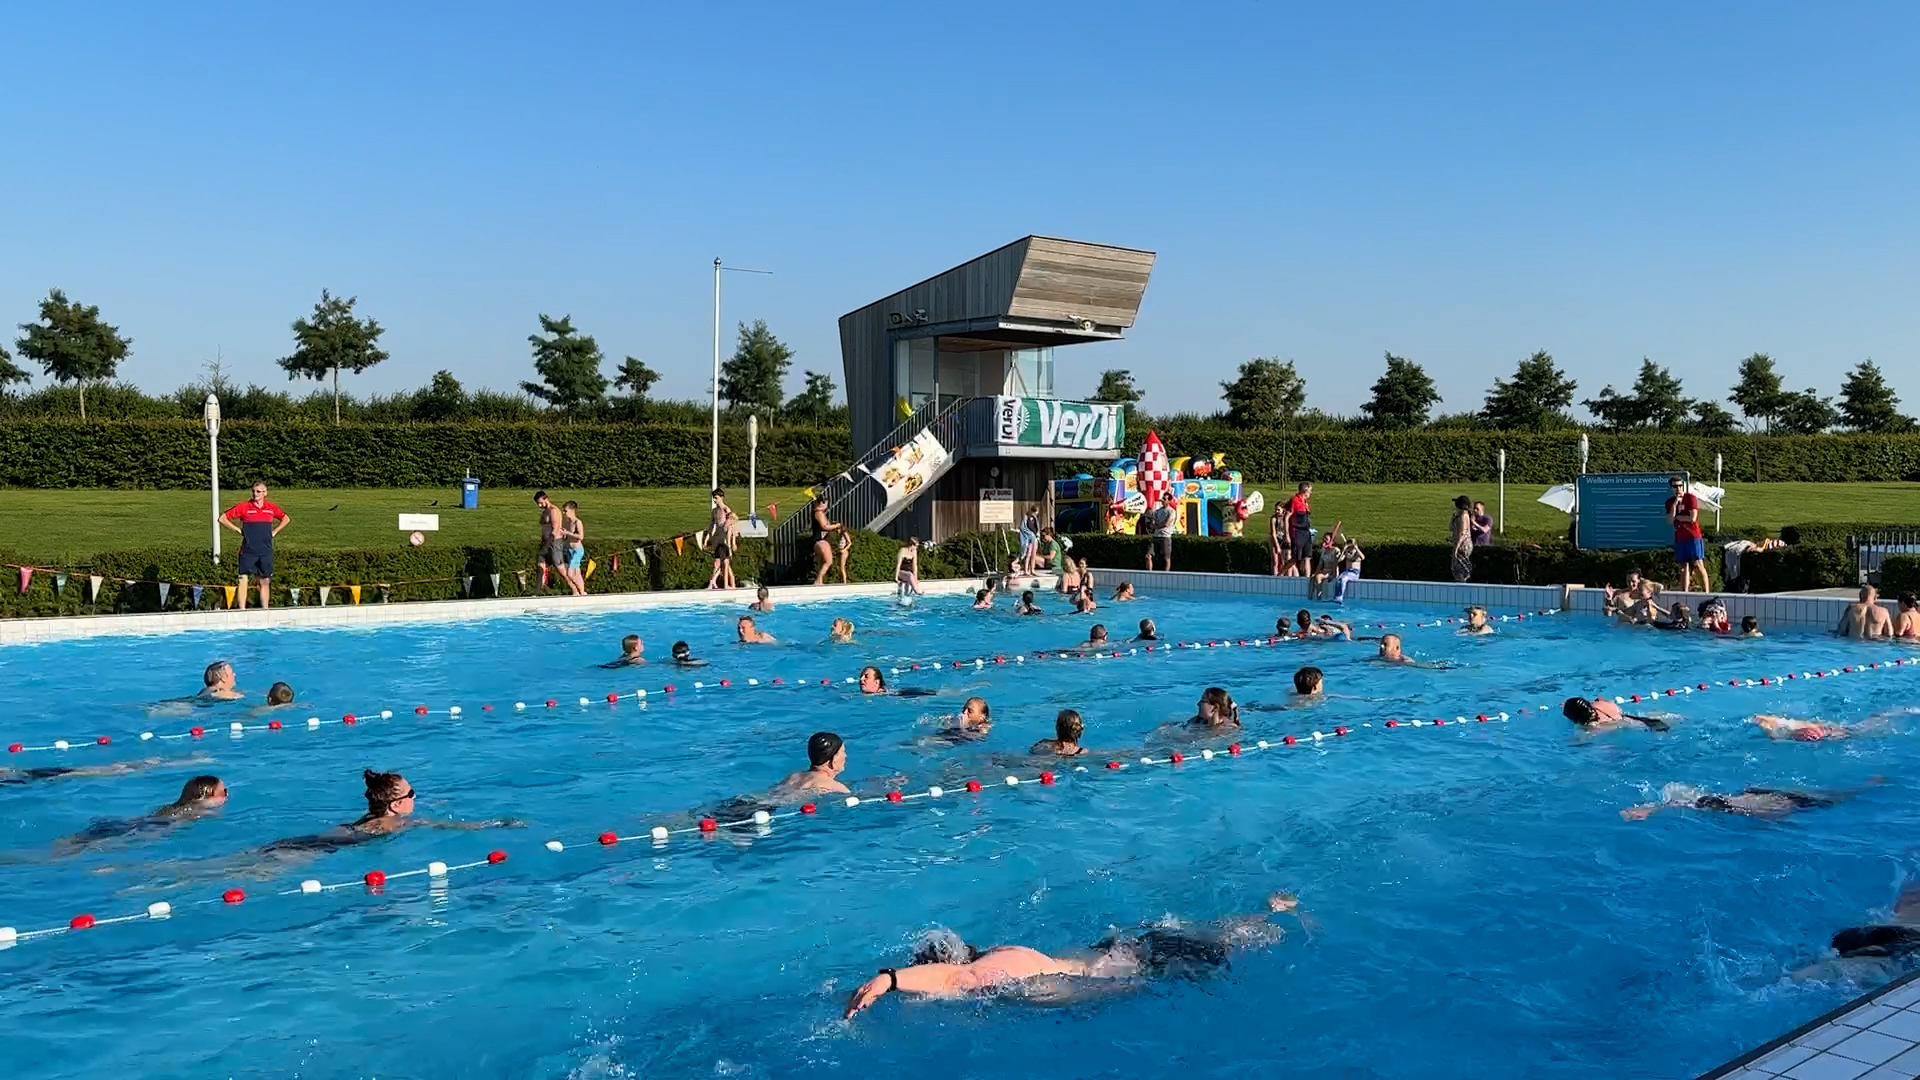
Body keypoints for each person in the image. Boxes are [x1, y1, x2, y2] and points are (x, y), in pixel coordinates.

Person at [843, 894, 1298, 1018]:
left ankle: (1280, 915)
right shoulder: (1002, 951)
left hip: (1146, 963)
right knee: (1222, 931)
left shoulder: (988, 974)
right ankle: (1265, 911)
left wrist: (890, 979)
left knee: (1244, 942)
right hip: (1127, 948)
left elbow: (951, 982)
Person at [260, 770, 512, 855]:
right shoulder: (399, 822)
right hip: (326, 847)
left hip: (321, 839)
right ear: (395, 805)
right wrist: (498, 824)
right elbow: (455, 827)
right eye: (411, 795)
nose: (415, 798)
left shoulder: (366, 818)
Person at [54, 775, 228, 854]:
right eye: (224, 792)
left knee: (83, 840)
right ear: (206, 797)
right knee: (105, 844)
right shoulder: (200, 810)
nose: (226, 795)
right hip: (156, 827)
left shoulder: (171, 806)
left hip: (139, 821)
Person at [1621, 781, 1872, 820]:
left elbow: (1690, 802)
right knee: (1840, 797)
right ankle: (1872, 784)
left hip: (1777, 800)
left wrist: (1651, 809)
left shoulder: (1729, 804)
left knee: (1838, 798)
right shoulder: (1728, 804)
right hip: (1769, 797)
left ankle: (1872, 784)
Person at [220, 482, 290, 610]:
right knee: (243, 578)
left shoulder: (271, 508)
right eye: (253, 491)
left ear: (265, 493)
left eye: (258, 491)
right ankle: (242, 609)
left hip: (265, 549)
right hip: (248, 549)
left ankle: (265, 609)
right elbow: (223, 518)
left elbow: (286, 519)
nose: (255, 494)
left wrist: (275, 531)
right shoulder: (244, 507)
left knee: (265, 580)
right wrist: (238, 530)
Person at [1664, 475, 1710, 594]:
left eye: (1680, 485)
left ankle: (1707, 592)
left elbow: (1692, 518)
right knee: (1683, 567)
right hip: (1680, 537)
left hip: (1692, 536)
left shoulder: (1690, 498)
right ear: (1671, 488)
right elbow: (1669, 520)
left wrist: (1677, 517)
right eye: (1675, 486)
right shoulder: (1669, 502)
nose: (1678, 488)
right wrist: (1675, 505)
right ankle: (1684, 593)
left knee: (1698, 563)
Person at [772, 732, 850, 796]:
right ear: (834, 759)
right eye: (842, 752)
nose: (845, 755)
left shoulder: (792, 777)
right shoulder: (834, 787)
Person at [1562, 696, 1669, 732]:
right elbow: (1601, 698)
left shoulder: (1591, 727)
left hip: (1639, 727)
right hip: (1640, 718)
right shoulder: (1600, 704)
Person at [534, 491, 566, 593]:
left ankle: (575, 588)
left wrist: (548, 543)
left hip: (554, 542)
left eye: (540, 503)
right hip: (545, 541)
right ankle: (537, 591)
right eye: (538, 504)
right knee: (540, 564)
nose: (539, 505)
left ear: (546, 498)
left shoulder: (553, 510)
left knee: (560, 568)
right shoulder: (545, 511)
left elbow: (555, 528)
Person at [811, 497, 845, 586]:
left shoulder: (819, 513)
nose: (827, 505)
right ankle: (818, 581)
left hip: (818, 541)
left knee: (821, 562)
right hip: (821, 541)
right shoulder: (819, 513)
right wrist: (837, 525)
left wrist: (833, 527)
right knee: (828, 561)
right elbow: (824, 527)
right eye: (825, 503)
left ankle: (819, 581)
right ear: (821, 504)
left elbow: (826, 527)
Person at [706, 491, 738, 591]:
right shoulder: (714, 511)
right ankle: (726, 585)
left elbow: (732, 525)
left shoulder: (726, 510)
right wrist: (707, 539)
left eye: (716, 498)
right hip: (717, 540)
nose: (714, 500)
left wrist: (732, 542)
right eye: (713, 498)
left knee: (724, 564)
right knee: (720, 564)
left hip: (724, 541)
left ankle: (721, 584)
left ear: (722, 497)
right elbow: (711, 526)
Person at [1284, 482, 1315, 577]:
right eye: (1310, 491)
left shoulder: (1305, 501)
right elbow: (1287, 517)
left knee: (1307, 557)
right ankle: (1280, 574)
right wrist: (1287, 535)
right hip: (1297, 532)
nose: (1311, 493)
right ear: (1305, 491)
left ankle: (1307, 579)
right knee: (1295, 558)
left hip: (1306, 531)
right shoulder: (1295, 500)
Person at [560, 500, 588, 596]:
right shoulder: (567, 522)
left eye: (565, 511)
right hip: (569, 550)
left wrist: (568, 533)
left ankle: (580, 591)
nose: (564, 513)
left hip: (577, 550)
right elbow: (565, 537)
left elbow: (581, 537)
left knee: (570, 573)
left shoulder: (577, 522)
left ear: (572, 511)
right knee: (577, 573)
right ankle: (582, 592)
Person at [1144, 494, 1177, 572]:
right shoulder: (1157, 511)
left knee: (1166, 558)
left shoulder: (1171, 511)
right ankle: (1149, 573)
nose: (1162, 500)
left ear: (1169, 501)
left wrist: (1157, 525)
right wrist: (1158, 525)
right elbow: (1152, 525)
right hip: (1156, 536)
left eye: (1164, 499)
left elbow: (1167, 524)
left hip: (1165, 537)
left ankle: (1166, 575)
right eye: (1162, 498)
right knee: (1148, 556)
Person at [1448, 495, 1473, 583]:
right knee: (1457, 567)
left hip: (1462, 545)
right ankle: (1462, 583)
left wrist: (1456, 548)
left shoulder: (1463, 516)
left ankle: (1462, 585)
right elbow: (1450, 528)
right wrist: (1453, 518)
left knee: (1458, 569)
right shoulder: (1460, 516)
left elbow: (1462, 534)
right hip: (1461, 544)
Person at [1331, 537, 1364, 601]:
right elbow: (1339, 560)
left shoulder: (1357, 553)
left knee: (1344, 578)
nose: (1350, 548)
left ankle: (1340, 596)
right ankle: (1336, 596)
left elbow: (1363, 557)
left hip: (1354, 572)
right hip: (1347, 572)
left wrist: (1356, 548)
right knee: (1338, 579)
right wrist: (1343, 550)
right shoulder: (1347, 553)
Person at [1018, 506, 1041, 576]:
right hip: (1028, 539)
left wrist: (1037, 534)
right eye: (1034, 513)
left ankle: (1032, 569)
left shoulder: (1035, 519)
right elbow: (1022, 528)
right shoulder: (1026, 518)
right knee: (1028, 554)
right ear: (1031, 511)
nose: (1035, 515)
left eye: (1036, 514)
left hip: (1035, 538)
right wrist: (1030, 534)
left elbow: (1037, 527)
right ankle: (1026, 570)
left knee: (1033, 555)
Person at [1268, 502, 1288, 576]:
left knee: (1283, 561)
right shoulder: (1273, 519)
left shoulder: (1285, 517)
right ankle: (1274, 575)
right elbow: (1273, 533)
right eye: (1276, 510)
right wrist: (1277, 546)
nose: (1276, 511)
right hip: (1275, 539)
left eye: (1278, 510)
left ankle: (1281, 575)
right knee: (1275, 560)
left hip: (1282, 539)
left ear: (1283, 510)